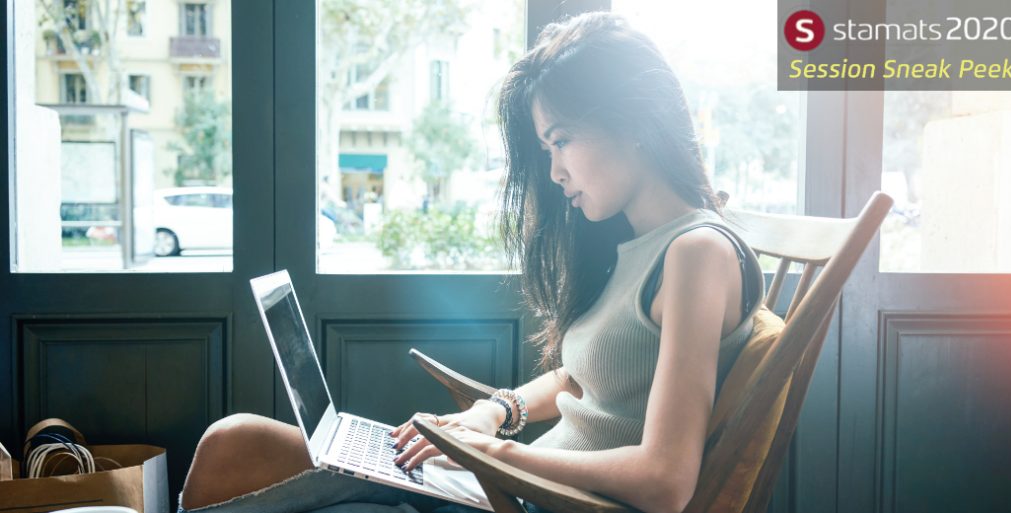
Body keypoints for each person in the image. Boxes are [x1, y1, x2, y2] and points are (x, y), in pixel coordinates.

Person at [176, 11, 764, 513]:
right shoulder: (637, 246)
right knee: (233, 444)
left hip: (525, 495)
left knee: (239, 456)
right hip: (502, 482)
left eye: (560, 141)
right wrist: (494, 412)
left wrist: (495, 454)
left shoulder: (697, 254)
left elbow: (666, 481)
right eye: (546, 149)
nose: (556, 172)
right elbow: (594, 372)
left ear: (632, 121)